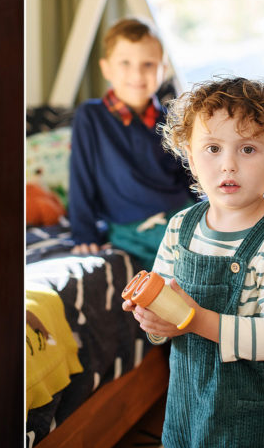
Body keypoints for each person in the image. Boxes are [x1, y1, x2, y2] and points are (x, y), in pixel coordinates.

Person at [123, 76, 264, 448]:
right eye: (212, 148)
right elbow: (164, 316)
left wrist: (196, 319)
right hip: (188, 400)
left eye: (247, 150)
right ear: (191, 159)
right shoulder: (181, 227)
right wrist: (155, 321)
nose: (228, 164)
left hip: (250, 415)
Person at [69, 17, 195, 269]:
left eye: (148, 64)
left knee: (220, 246)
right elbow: (80, 178)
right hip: (128, 225)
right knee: (176, 270)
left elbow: (188, 174)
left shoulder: (172, 118)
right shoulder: (90, 116)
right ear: (106, 69)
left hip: (179, 213)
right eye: (125, 63)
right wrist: (85, 234)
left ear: (163, 68)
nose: (137, 74)